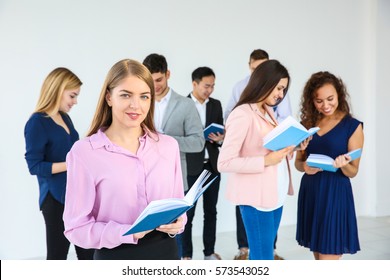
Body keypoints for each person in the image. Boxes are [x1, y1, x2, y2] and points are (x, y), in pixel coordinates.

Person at [63, 59, 187, 260]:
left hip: (167, 253)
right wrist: (126, 232)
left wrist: (178, 222)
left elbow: (178, 205)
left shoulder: (168, 146)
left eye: (144, 96)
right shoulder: (84, 152)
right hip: (115, 257)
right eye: (126, 95)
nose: (136, 105)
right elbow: (76, 228)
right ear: (109, 97)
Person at [218, 60, 308, 260]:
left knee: (263, 255)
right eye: (278, 88)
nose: (281, 95)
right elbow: (224, 162)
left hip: (274, 196)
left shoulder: (266, 110)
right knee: (262, 257)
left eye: (283, 89)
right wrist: (266, 161)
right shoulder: (242, 114)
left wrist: (293, 145)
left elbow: (268, 147)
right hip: (256, 200)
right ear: (264, 82)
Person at [24, 67, 94, 260]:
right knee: (57, 257)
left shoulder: (65, 118)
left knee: (89, 254)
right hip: (55, 199)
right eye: (72, 95)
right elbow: (35, 166)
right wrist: (71, 164)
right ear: (58, 89)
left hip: (77, 196)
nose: (75, 101)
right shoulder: (37, 122)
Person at [294, 71, 364, 260]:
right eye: (319, 101)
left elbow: (353, 171)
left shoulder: (352, 126)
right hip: (312, 192)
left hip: (335, 194)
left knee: (327, 259)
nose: (325, 105)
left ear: (339, 95)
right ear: (311, 101)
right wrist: (305, 167)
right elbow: (298, 163)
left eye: (330, 99)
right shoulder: (307, 124)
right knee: (319, 257)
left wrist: (343, 165)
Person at [142, 53, 205, 258]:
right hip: (142, 180)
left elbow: (198, 142)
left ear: (168, 74)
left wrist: (167, 141)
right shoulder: (140, 103)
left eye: (159, 80)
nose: (155, 85)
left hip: (174, 179)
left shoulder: (186, 105)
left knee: (175, 233)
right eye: (150, 81)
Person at [182, 67, 224, 260]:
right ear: (195, 84)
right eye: (207, 86)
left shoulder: (215, 105)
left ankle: (208, 253)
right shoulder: (182, 105)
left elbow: (222, 135)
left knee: (211, 212)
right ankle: (186, 255)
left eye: (213, 86)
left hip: (213, 165)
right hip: (191, 166)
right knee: (187, 214)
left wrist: (219, 139)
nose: (210, 90)